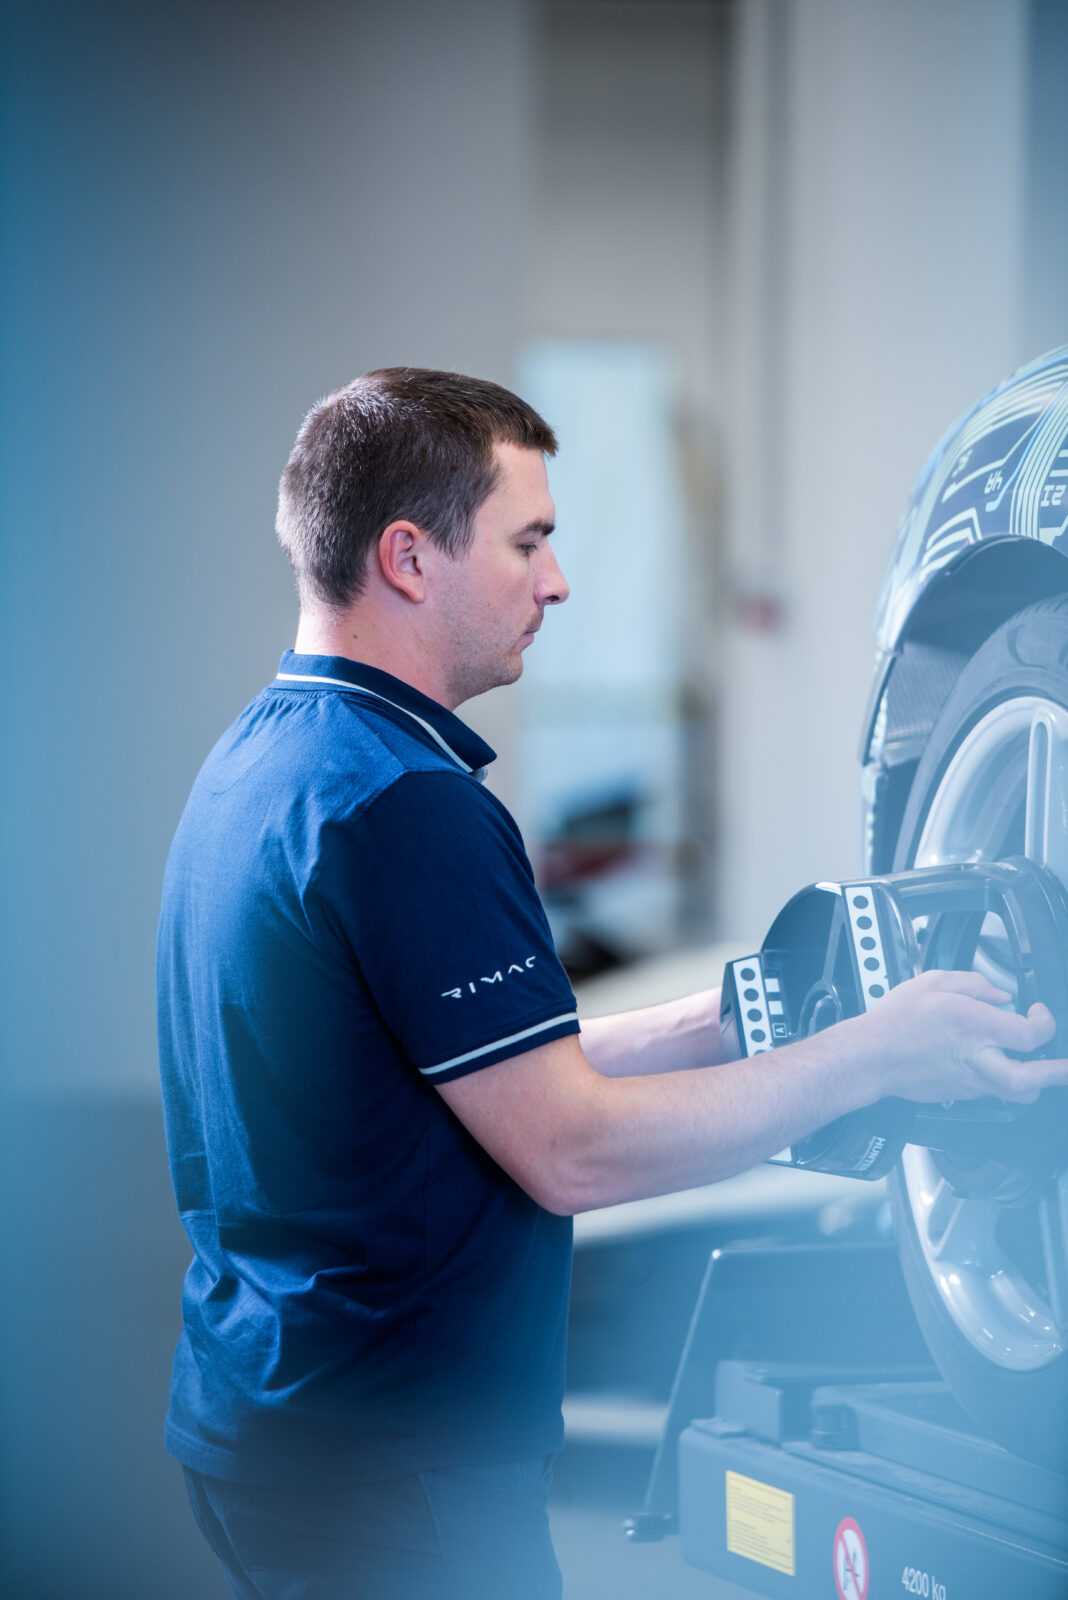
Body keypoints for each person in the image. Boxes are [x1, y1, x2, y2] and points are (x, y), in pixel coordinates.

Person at [157, 367, 1068, 1600]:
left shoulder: (266, 763)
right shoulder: (409, 809)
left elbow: (460, 1083)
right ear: (410, 557)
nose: (558, 580)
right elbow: (571, 1150)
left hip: (276, 1422)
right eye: (529, 541)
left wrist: (731, 1020)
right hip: (396, 1466)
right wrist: (878, 1055)